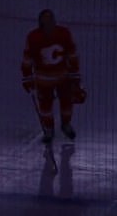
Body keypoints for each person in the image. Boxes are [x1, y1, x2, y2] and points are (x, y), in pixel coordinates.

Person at [21, 9, 83, 143]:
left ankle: (66, 125)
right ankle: (49, 129)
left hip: (63, 77)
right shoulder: (33, 37)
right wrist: (27, 78)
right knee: (45, 106)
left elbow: (72, 55)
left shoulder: (64, 34)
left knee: (67, 104)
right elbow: (28, 59)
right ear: (41, 23)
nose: (50, 24)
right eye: (46, 22)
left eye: (51, 21)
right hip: (43, 80)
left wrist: (75, 77)